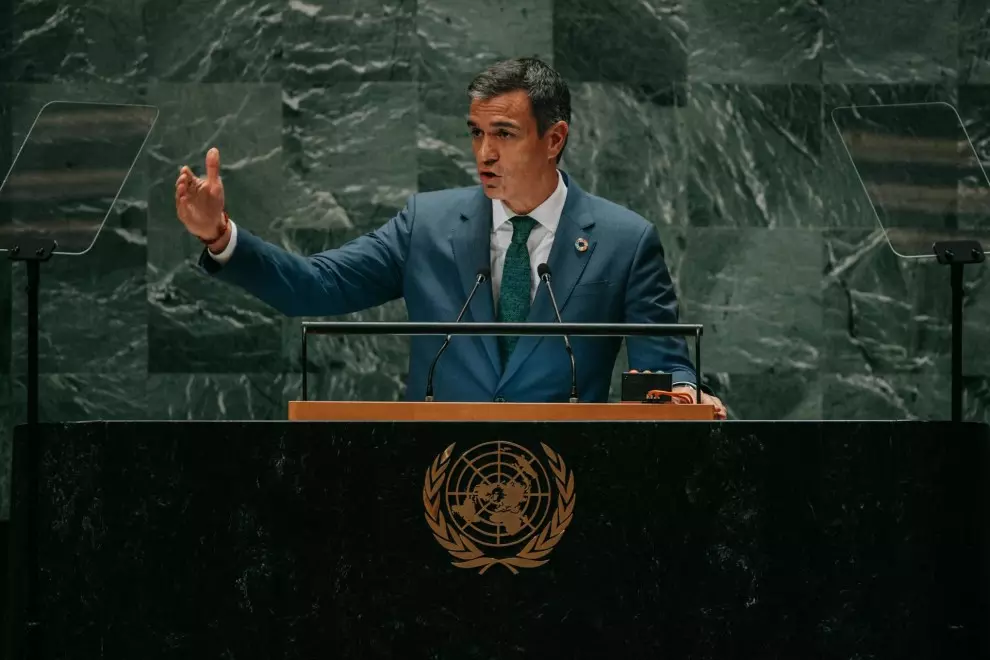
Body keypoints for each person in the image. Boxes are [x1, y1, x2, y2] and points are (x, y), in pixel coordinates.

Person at [174, 57, 727, 418]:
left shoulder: (624, 241)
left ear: (554, 138)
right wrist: (221, 235)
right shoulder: (427, 226)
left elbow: (664, 367)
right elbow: (313, 288)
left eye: (504, 135)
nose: (484, 153)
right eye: (476, 133)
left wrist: (681, 393)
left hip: (570, 486)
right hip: (432, 481)